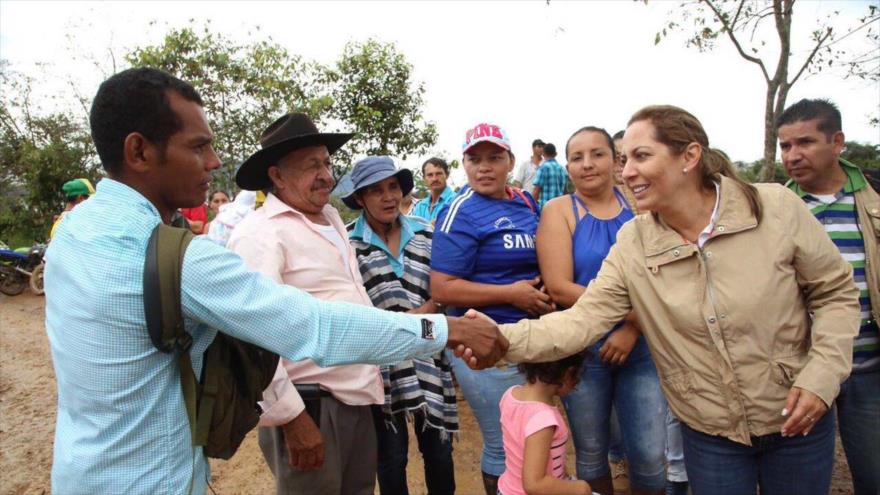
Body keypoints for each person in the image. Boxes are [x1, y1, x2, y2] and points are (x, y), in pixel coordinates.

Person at [43, 67, 506, 495]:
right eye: (199, 146)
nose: (213, 161)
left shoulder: (76, 233)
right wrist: (447, 330)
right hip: (153, 480)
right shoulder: (185, 257)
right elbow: (313, 327)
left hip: (87, 469)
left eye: (327, 162)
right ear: (140, 151)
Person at [498, 105, 860, 495]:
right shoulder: (634, 242)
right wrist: (494, 339)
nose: (628, 171)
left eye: (641, 156)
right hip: (711, 433)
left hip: (797, 421)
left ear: (689, 156)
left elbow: (835, 293)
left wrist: (821, 377)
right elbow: (581, 321)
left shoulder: (775, 207)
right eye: (624, 160)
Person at [227, 113, 388, 495]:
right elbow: (250, 337)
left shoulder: (330, 218)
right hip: (310, 408)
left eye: (327, 163)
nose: (326, 175)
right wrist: (292, 419)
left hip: (355, 398)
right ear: (277, 177)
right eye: (311, 165)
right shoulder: (261, 233)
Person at [537, 126, 667, 495]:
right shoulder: (559, 211)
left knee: (650, 454)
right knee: (591, 453)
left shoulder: (640, 206)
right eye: (576, 157)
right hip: (583, 349)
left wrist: (635, 329)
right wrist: (629, 316)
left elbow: (664, 279)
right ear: (567, 167)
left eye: (597, 154)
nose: (587, 164)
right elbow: (560, 286)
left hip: (645, 347)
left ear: (615, 160)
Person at [431, 122, 555, 495]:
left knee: (534, 439)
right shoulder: (460, 212)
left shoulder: (525, 202)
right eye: (475, 159)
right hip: (486, 343)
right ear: (464, 165)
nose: (484, 167)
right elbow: (442, 288)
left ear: (510, 162)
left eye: (494, 158)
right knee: (505, 442)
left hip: (533, 340)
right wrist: (510, 294)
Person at [777, 98, 880, 495]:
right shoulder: (775, 209)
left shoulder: (872, 197)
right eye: (785, 146)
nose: (793, 155)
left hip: (868, 364)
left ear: (837, 142)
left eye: (805, 143)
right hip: (801, 372)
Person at [345, 156, 458, 495]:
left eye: (393, 187)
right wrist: (402, 326)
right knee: (390, 459)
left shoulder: (427, 233)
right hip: (381, 367)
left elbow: (444, 291)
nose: (388, 196)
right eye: (376, 190)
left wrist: (425, 311)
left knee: (439, 451)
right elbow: (352, 308)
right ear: (361, 198)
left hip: (429, 356)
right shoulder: (349, 245)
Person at [498, 351, 593, 495]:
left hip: (506, 489)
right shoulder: (543, 420)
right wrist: (580, 488)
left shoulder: (510, 395)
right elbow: (534, 484)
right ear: (568, 374)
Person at [411, 157, 456, 223]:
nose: (434, 179)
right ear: (424, 178)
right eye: (430, 175)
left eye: (438, 174)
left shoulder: (456, 201)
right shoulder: (420, 206)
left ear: (447, 175)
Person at [532, 143, 567, 209]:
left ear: (543, 154)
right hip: (560, 209)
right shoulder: (562, 169)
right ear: (556, 154)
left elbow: (536, 191)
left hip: (546, 210)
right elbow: (565, 191)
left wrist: (531, 207)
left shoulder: (543, 168)